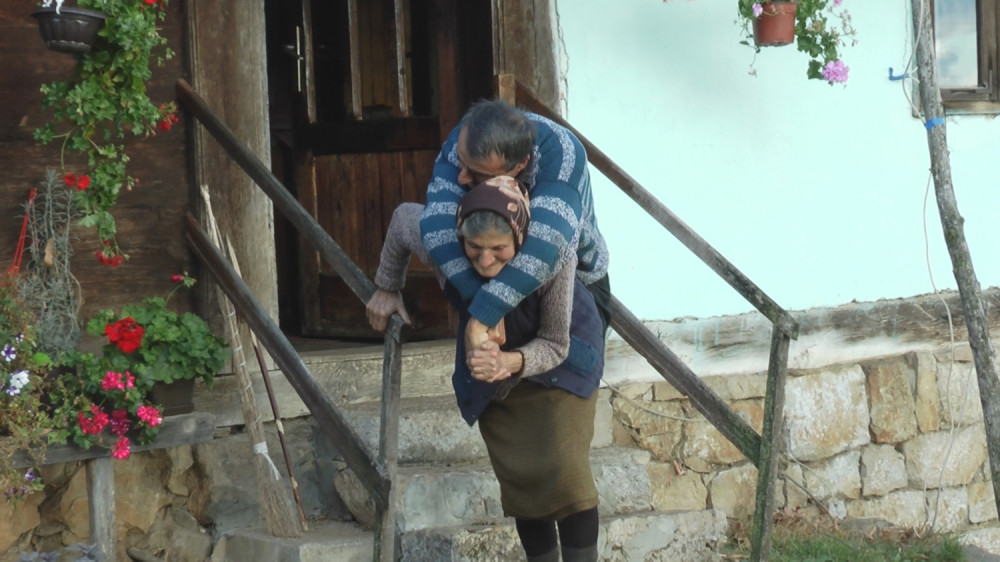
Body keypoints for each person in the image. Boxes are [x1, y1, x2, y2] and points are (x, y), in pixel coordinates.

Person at [366, 178, 605, 562]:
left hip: (562, 366)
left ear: (520, 239)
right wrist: (388, 285)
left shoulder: (551, 253)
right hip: (499, 381)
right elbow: (402, 219)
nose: (486, 260)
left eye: (499, 250)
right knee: (522, 484)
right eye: (474, 249)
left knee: (567, 475)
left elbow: (555, 344)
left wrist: (509, 362)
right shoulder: (447, 251)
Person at [417, 99, 611, 358]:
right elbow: (436, 226)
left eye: (477, 173)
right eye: (460, 163)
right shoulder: (465, 138)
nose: (460, 178)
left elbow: (548, 243)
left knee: (568, 379)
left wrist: (484, 311)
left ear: (521, 165)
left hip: (576, 279)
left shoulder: (562, 154)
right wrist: (482, 304)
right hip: (490, 275)